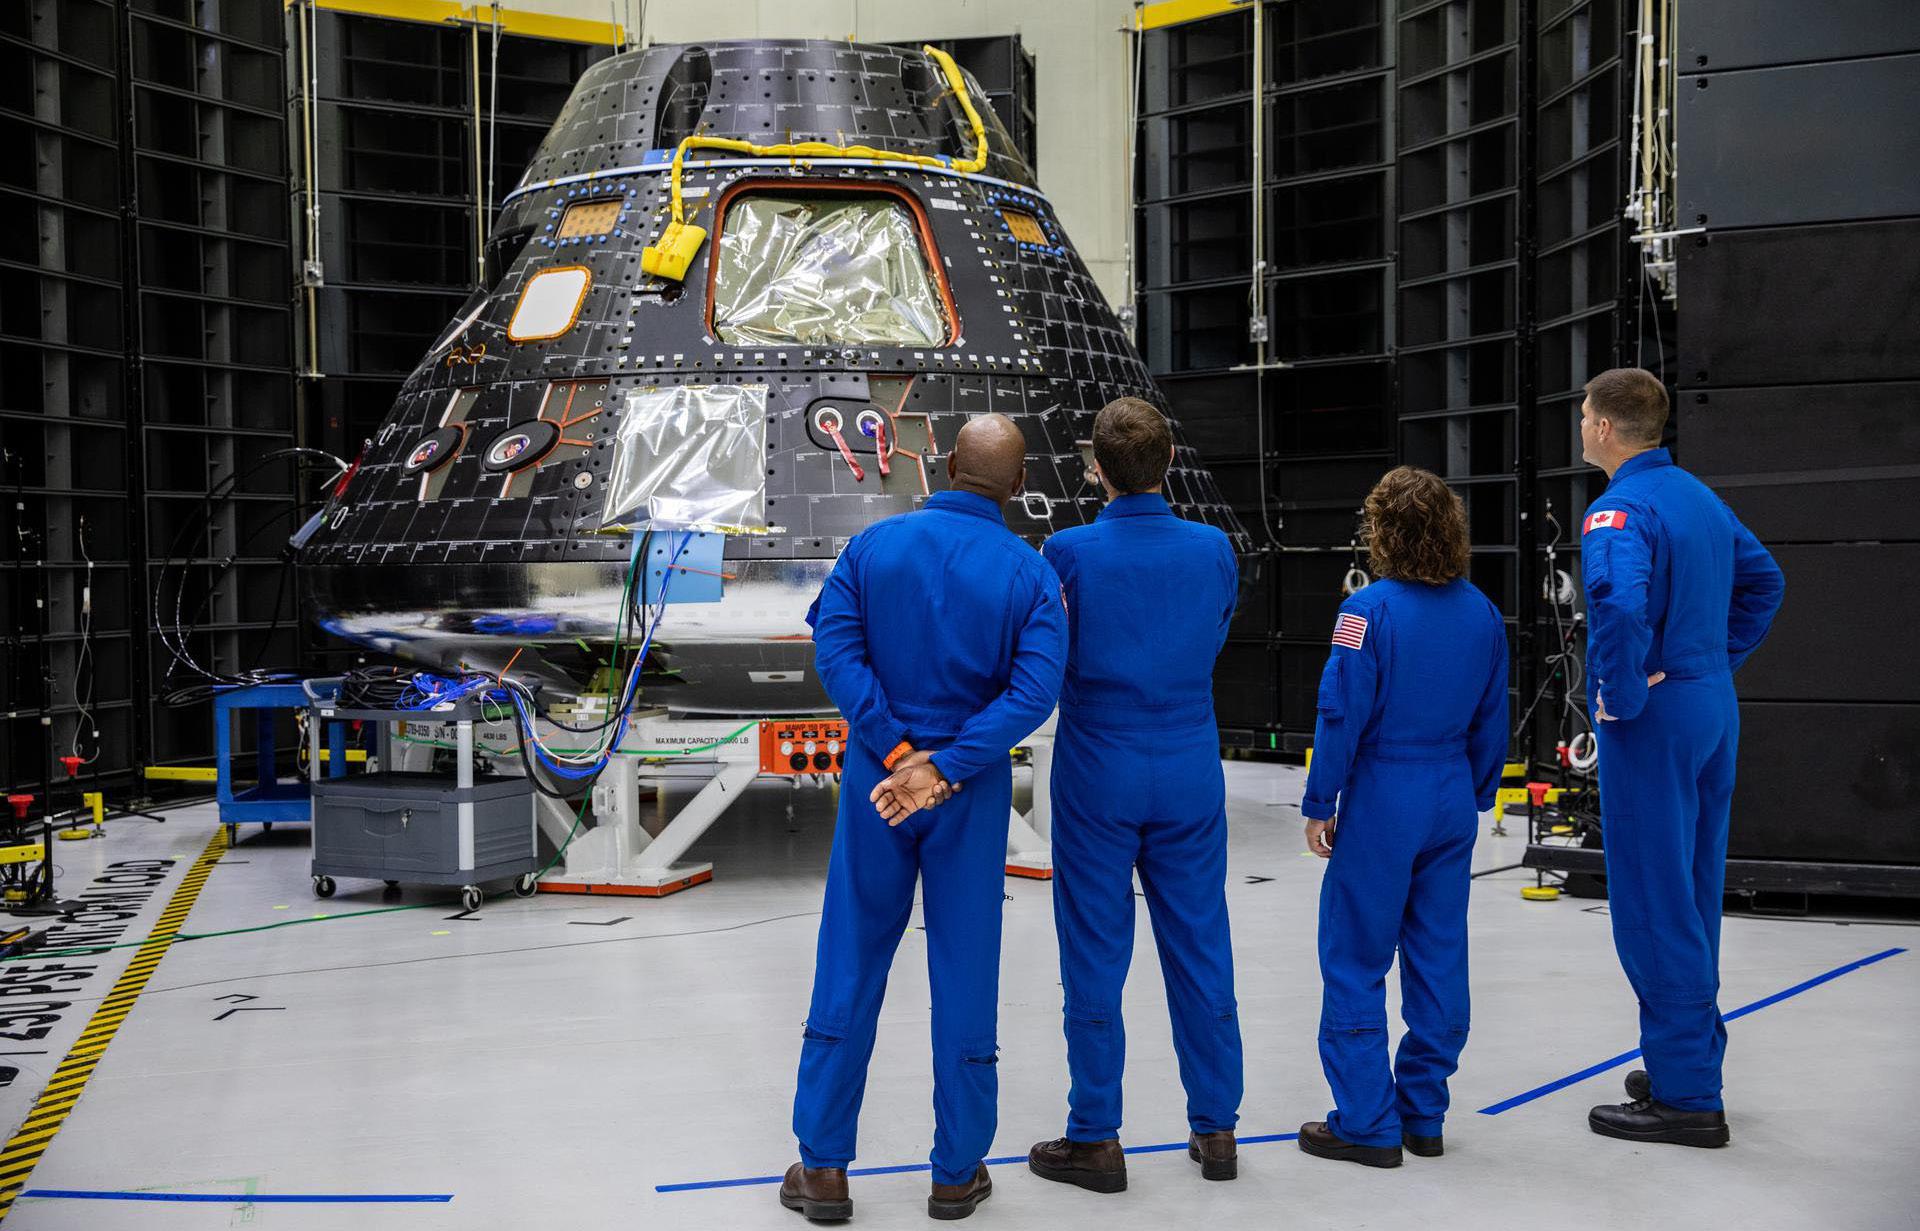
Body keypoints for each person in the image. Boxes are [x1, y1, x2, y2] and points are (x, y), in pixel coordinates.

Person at [782, 413, 1067, 1224]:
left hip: (879, 782)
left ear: (943, 466)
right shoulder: (1031, 573)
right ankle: (956, 1170)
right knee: (966, 968)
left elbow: (837, 652)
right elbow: (1035, 691)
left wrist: (898, 749)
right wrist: (945, 764)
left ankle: (823, 1168)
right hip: (967, 789)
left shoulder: (873, 548)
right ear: (1018, 484)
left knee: (851, 956)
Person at [1016, 397, 1243, 1194]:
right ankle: (1217, 1127)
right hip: (1188, 763)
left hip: (1098, 768)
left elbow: (1050, 649)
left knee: (1093, 949)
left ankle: (1095, 1135)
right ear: (1171, 459)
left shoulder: (1067, 551)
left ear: (1095, 470)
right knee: (1200, 942)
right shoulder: (1213, 549)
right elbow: (1216, 633)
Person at [1576, 367, 1784, 1148]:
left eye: (1585, 414)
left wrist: (1622, 694)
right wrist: (1709, 661)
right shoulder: (1697, 497)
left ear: (1604, 427)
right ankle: (1685, 1059)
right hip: (1709, 708)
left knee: (1653, 901)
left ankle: (1688, 1096)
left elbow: (1620, 603)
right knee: (1692, 893)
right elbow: (1765, 582)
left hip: (1654, 723)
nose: (1582, 424)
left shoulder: (1618, 511)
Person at [1297, 466, 1508, 1168]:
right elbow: (1493, 717)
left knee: (1355, 955)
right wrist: (1476, 792)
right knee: (1439, 952)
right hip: (1451, 793)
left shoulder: (1366, 612)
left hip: (1386, 795)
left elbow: (1340, 713)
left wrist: (1320, 801)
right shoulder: (1482, 613)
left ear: (1382, 531)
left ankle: (1366, 1122)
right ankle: (1423, 1112)